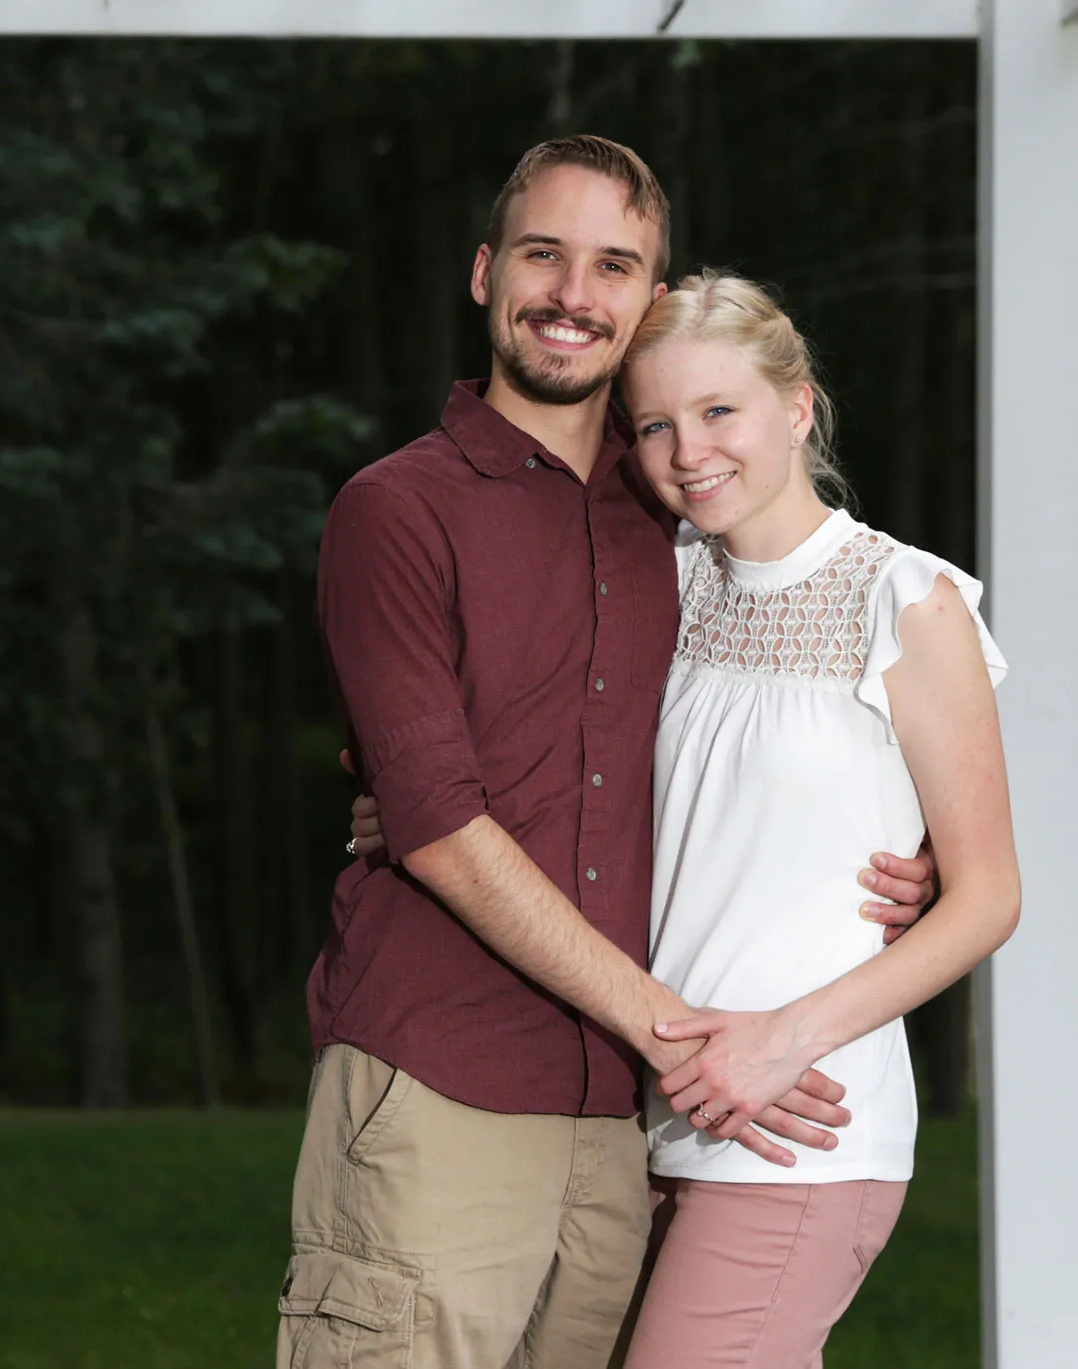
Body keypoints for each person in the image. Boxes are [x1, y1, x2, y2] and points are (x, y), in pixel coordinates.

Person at [281, 136, 933, 1369]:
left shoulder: (681, 522)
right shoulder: (395, 509)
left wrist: (918, 859)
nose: (572, 295)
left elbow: (789, 731)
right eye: (542, 254)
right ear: (483, 274)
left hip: (619, 1127)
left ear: (648, 300)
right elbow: (435, 822)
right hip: (440, 1083)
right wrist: (684, 1033)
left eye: (612, 266)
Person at [604, 272, 1017, 1366]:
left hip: (802, 1132)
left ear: (795, 407)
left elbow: (984, 898)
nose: (687, 450)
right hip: (645, 1121)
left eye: (717, 411)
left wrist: (780, 1044)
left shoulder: (905, 601)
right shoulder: (666, 581)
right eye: (654, 423)